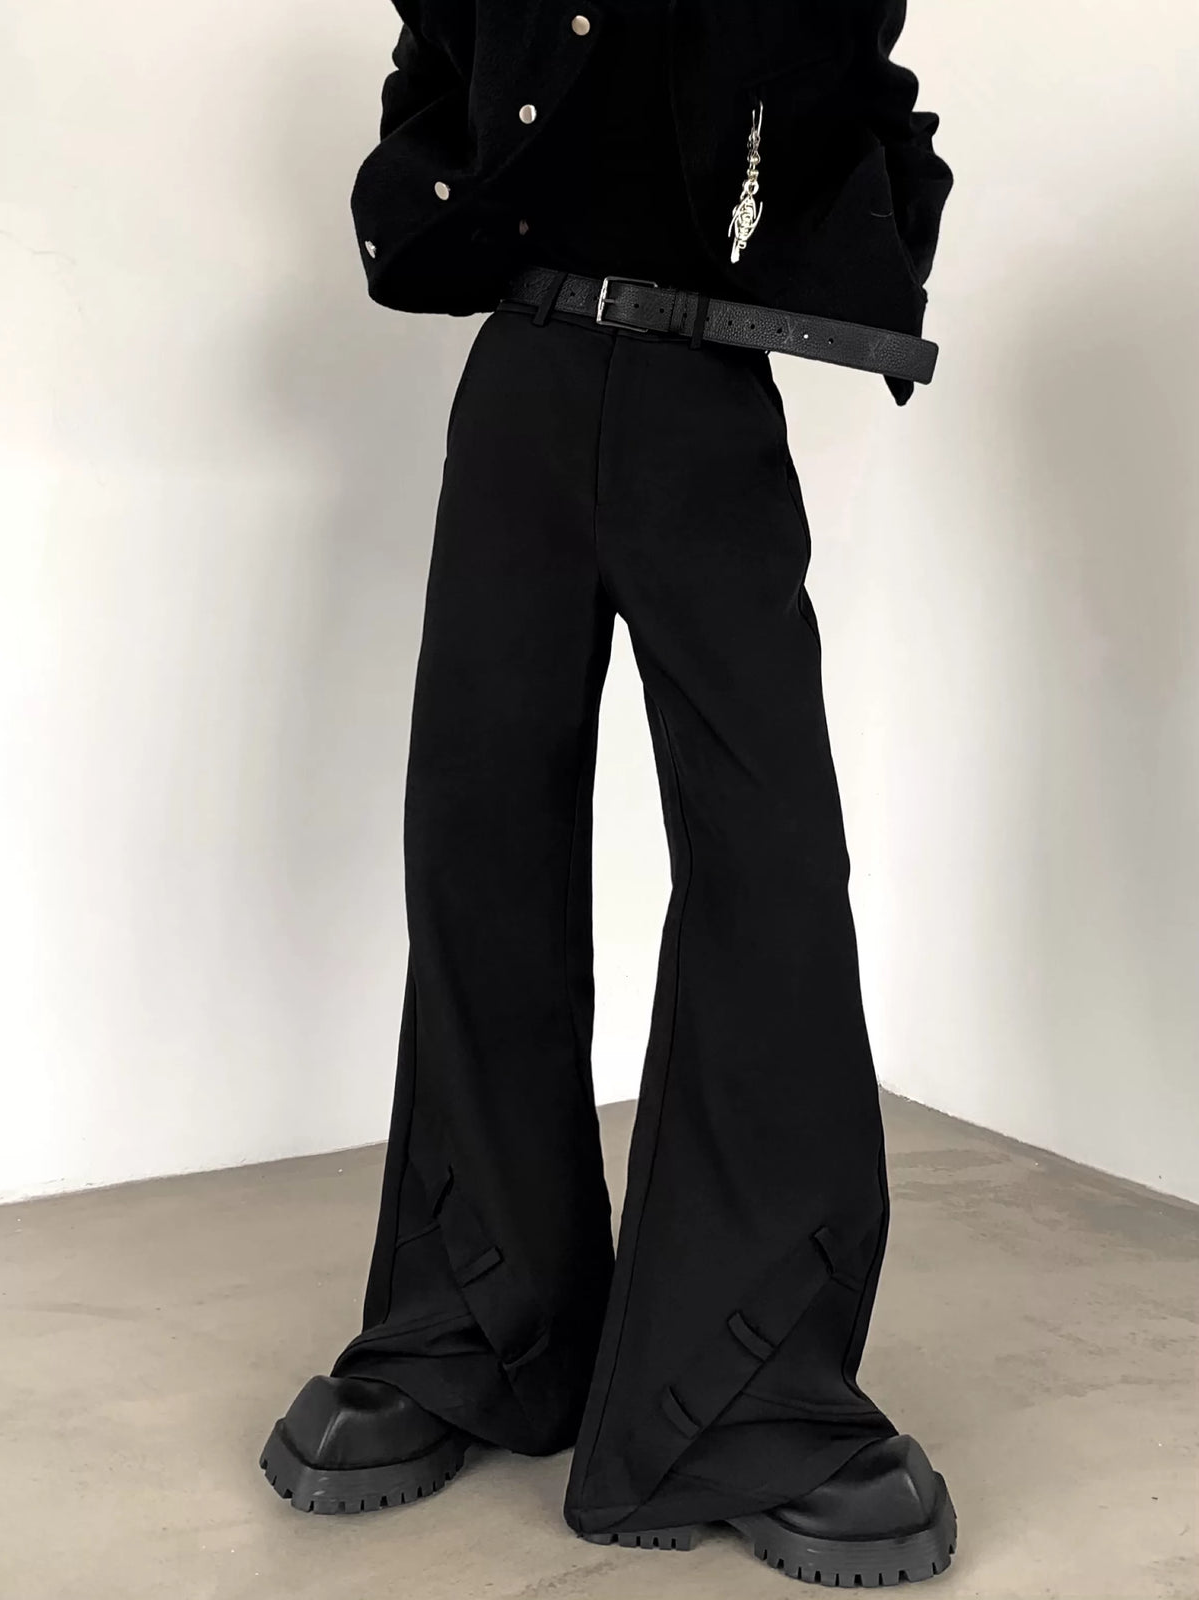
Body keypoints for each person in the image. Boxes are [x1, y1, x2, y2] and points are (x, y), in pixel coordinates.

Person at [259, 0, 957, 1586]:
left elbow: (864, 86)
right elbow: (435, 71)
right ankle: (475, 1327)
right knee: (477, 849)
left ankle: (754, 1385)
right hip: (522, 376)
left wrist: (847, 252)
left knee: (772, 860)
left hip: (709, 395)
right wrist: (430, 195)